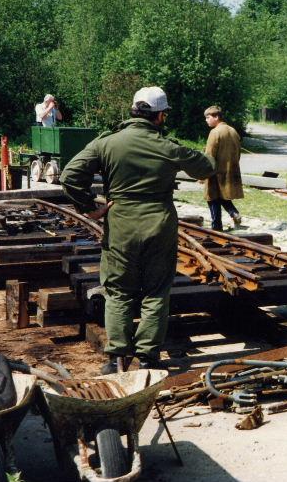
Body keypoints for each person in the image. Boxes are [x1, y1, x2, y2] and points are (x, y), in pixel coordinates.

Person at [60, 87, 216, 374]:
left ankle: (116, 358)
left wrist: (87, 206)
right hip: (160, 224)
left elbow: (69, 175)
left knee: (119, 291)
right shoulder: (167, 146)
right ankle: (148, 358)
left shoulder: (107, 143)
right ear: (159, 116)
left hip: (121, 225)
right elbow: (207, 167)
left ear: (133, 110)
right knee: (156, 292)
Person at [203, 105, 244, 230]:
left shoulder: (215, 132)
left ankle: (216, 227)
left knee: (211, 197)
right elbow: (238, 152)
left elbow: (209, 155)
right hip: (230, 169)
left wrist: (203, 173)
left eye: (208, 117)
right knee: (221, 196)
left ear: (216, 117)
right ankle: (233, 213)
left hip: (215, 171)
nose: (206, 120)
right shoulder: (233, 130)